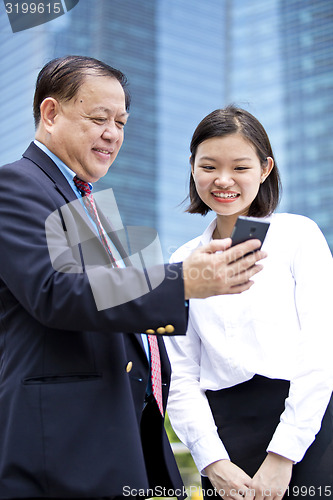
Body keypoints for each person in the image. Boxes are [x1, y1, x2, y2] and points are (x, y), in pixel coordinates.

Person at [0, 58, 266, 500]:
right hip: (63, 445)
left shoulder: (91, 203)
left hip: (122, 428)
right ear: (50, 114)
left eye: (120, 122)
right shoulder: (15, 186)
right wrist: (181, 282)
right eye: (98, 118)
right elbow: (54, 292)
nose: (113, 134)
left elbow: (116, 309)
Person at [165, 106, 333, 500]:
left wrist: (284, 453)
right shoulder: (180, 263)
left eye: (240, 167)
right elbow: (182, 375)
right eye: (209, 166)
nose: (223, 180)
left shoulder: (298, 236)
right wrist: (211, 461)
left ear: (265, 168)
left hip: (306, 427)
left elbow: (321, 348)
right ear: (192, 167)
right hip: (223, 438)